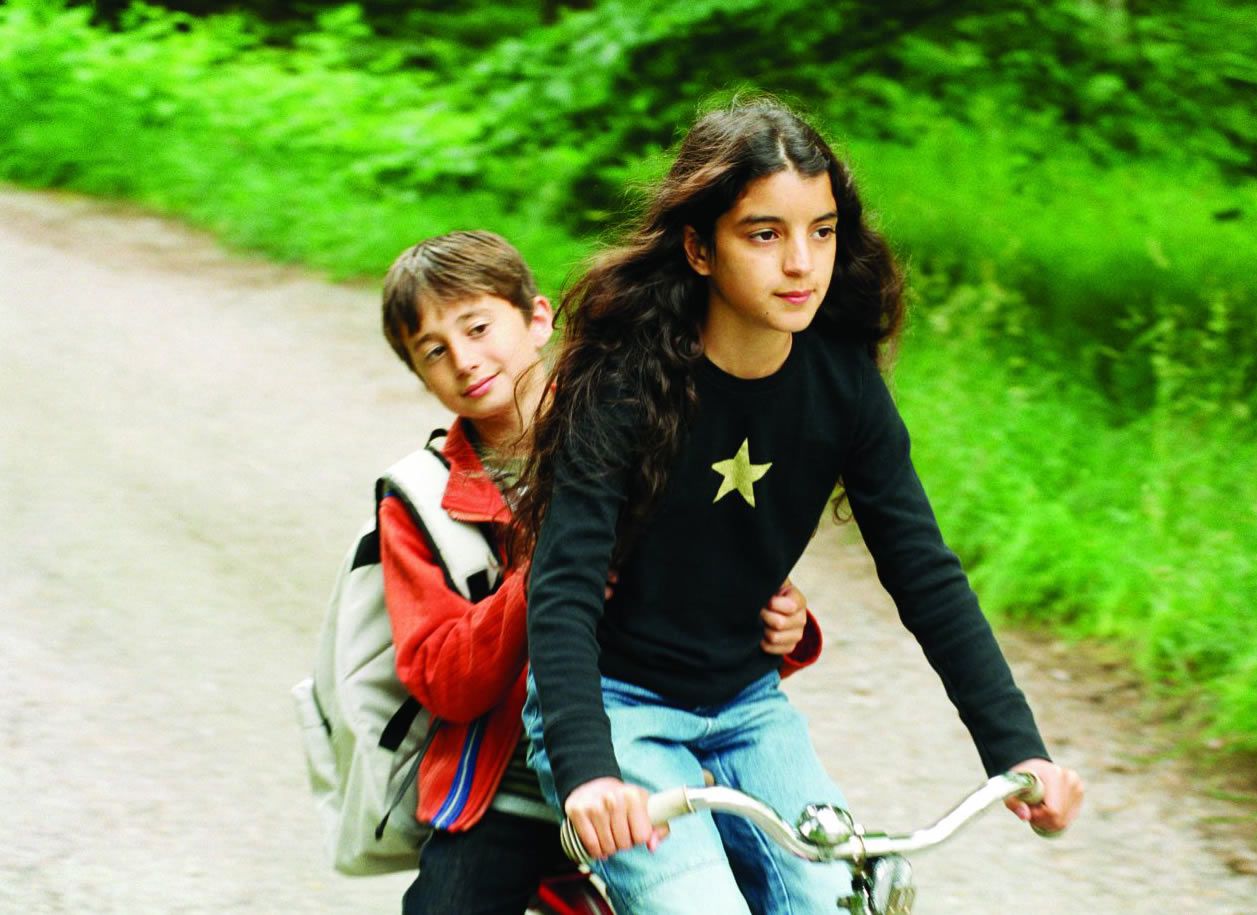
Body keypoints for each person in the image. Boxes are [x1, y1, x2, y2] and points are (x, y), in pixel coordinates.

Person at [510, 98, 1086, 915]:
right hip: (617, 706)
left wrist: (1018, 752)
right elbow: (562, 587)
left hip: (747, 705)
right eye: (763, 234)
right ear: (698, 248)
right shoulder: (624, 384)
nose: (800, 264)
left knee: (833, 897)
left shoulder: (841, 382)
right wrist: (588, 770)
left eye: (821, 231)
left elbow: (924, 571)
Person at [375, 229, 824, 915]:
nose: (464, 359)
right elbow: (442, 679)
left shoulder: (645, 423)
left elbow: (723, 570)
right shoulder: (419, 499)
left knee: (804, 881)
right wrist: (545, 579)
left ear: (537, 319)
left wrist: (784, 624)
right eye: (433, 351)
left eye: (478, 327)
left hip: (656, 755)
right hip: (508, 786)